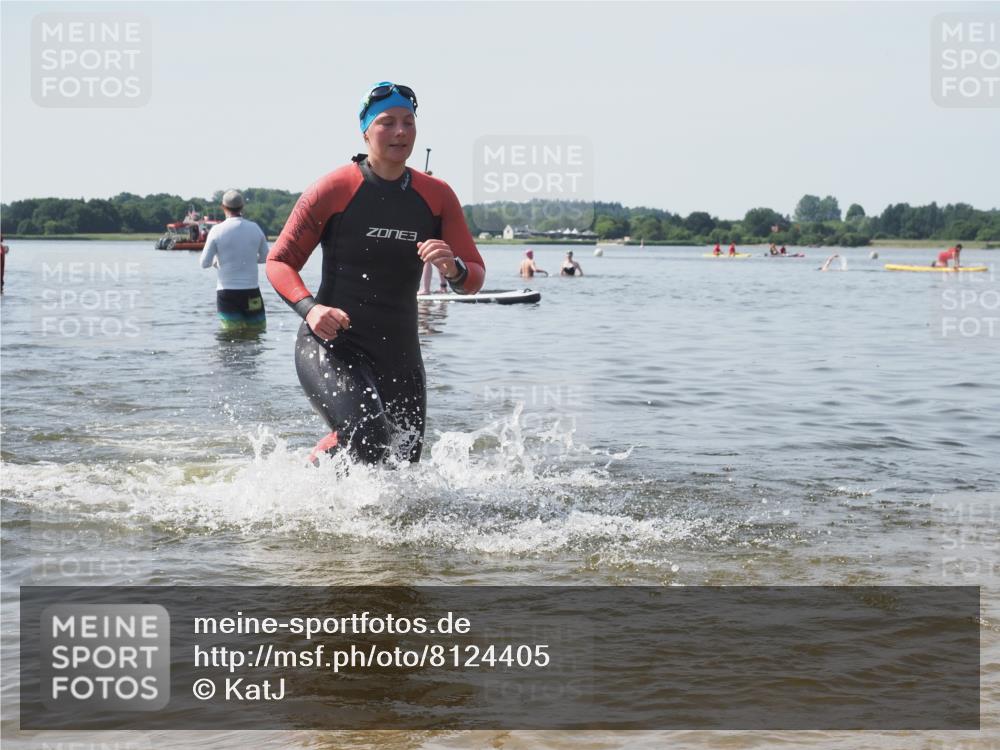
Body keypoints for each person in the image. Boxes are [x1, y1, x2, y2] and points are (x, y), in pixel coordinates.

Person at [266, 82, 485, 465]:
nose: (400, 132)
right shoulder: (334, 189)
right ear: (365, 130)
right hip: (332, 344)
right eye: (387, 123)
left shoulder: (437, 196)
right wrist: (311, 309)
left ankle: (323, 473)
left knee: (402, 462)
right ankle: (317, 479)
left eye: (408, 122)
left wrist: (453, 268)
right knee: (368, 435)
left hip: (399, 351)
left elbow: (474, 277)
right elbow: (279, 262)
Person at [200, 190, 269, 331]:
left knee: (230, 336)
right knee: (255, 334)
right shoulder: (255, 228)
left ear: (223, 207)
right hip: (252, 293)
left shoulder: (216, 230)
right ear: (242, 207)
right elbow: (265, 257)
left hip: (227, 294)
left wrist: (216, 262)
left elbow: (204, 263)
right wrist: (249, 259)